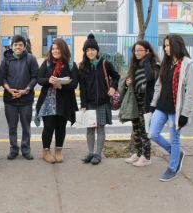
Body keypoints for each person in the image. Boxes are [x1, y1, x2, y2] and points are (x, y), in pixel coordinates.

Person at [149, 34, 193, 182]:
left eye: (168, 45)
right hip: (162, 106)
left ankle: (173, 167)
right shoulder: (166, 63)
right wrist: (153, 104)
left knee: (175, 139)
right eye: (165, 45)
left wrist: (185, 114)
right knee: (152, 134)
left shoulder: (188, 65)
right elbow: (159, 85)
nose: (166, 48)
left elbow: (190, 92)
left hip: (176, 109)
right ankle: (176, 153)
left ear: (177, 45)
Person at [79, 34, 120, 165]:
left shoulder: (105, 63)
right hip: (90, 102)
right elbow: (82, 87)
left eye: (92, 49)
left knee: (100, 128)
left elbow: (116, 76)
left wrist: (113, 87)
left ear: (97, 50)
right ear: (85, 52)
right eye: (87, 50)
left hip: (103, 102)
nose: (90, 52)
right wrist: (83, 104)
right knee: (90, 128)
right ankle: (90, 153)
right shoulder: (82, 66)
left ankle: (98, 154)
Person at [35, 38, 79, 163]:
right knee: (48, 127)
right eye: (53, 48)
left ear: (63, 49)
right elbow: (39, 79)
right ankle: (46, 151)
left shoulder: (71, 64)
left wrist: (61, 85)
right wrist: (48, 80)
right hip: (48, 101)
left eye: (57, 48)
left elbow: (75, 83)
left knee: (61, 127)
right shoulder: (47, 63)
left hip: (64, 101)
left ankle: (59, 150)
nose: (55, 51)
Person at [1, 35, 39, 160]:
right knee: (12, 127)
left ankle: (26, 149)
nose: (18, 47)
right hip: (10, 99)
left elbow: (35, 77)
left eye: (20, 45)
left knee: (26, 126)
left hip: (26, 100)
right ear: (11, 46)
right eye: (15, 45)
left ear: (24, 46)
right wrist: (8, 89)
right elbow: (2, 77)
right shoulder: (6, 60)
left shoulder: (30, 59)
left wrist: (26, 90)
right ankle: (13, 149)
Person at [124, 41, 160, 167]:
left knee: (145, 130)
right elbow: (128, 80)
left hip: (146, 101)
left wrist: (148, 59)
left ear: (147, 51)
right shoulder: (135, 64)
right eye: (135, 50)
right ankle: (138, 153)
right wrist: (127, 82)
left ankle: (147, 157)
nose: (137, 52)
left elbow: (150, 77)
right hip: (135, 100)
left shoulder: (154, 65)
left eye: (140, 50)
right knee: (136, 129)